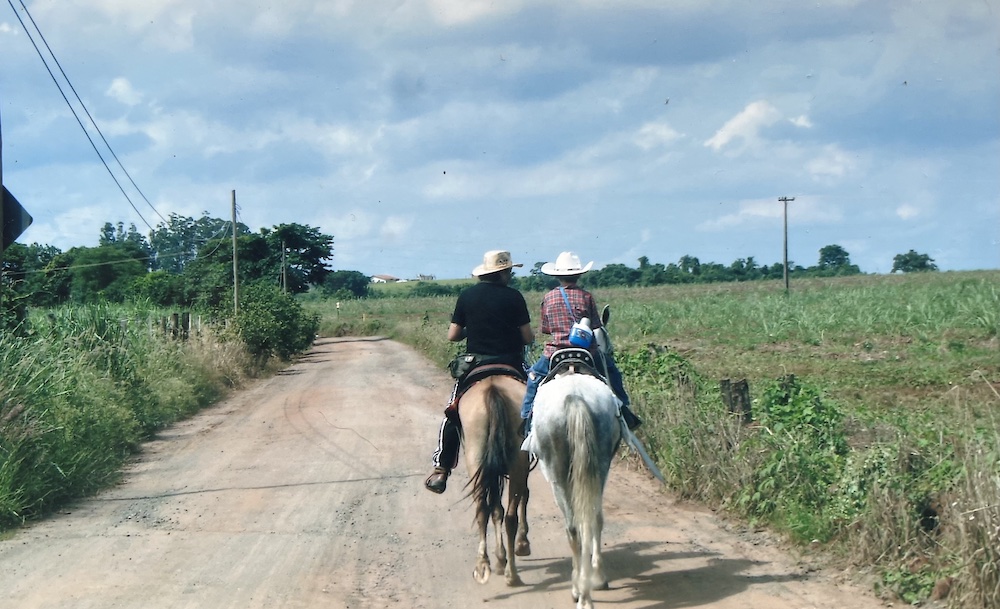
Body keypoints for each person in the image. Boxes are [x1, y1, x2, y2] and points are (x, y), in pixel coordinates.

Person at [424, 250, 534, 494]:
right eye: (509, 271)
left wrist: (471, 329)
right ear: (503, 272)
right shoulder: (515, 297)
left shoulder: (467, 296)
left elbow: (453, 335)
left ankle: (441, 468)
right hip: (511, 363)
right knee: (539, 405)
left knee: (452, 413)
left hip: (476, 365)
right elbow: (528, 338)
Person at [520, 251, 641, 433]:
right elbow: (595, 325)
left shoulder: (548, 298)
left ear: (558, 276)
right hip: (587, 353)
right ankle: (625, 411)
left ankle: (526, 421)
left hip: (556, 353)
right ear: (578, 275)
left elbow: (546, 329)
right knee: (613, 373)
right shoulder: (586, 296)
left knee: (534, 379)